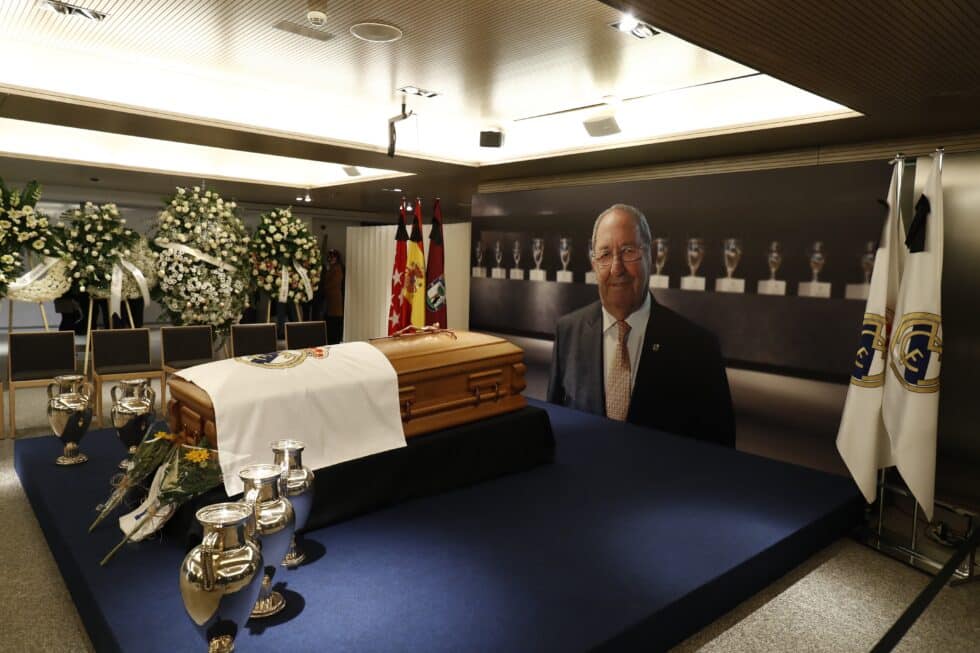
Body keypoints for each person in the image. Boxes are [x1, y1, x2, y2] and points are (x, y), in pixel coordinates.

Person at [547, 204, 735, 448]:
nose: (617, 268)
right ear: (594, 264)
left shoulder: (698, 347)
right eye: (605, 255)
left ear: (652, 256)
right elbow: (554, 433)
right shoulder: (568, 333)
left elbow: (720, 453)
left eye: (628, 251)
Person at [323, 248, 345, 344]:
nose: (331, 259)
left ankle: (335, 339)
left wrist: (324, 288)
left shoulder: (337, 268)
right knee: (331, 320)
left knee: (335, 320)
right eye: (330, 257)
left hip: (335, 299)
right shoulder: (332, 268)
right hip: (330, 299)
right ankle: (331, 338)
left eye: (333, 257)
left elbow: (333, 284)